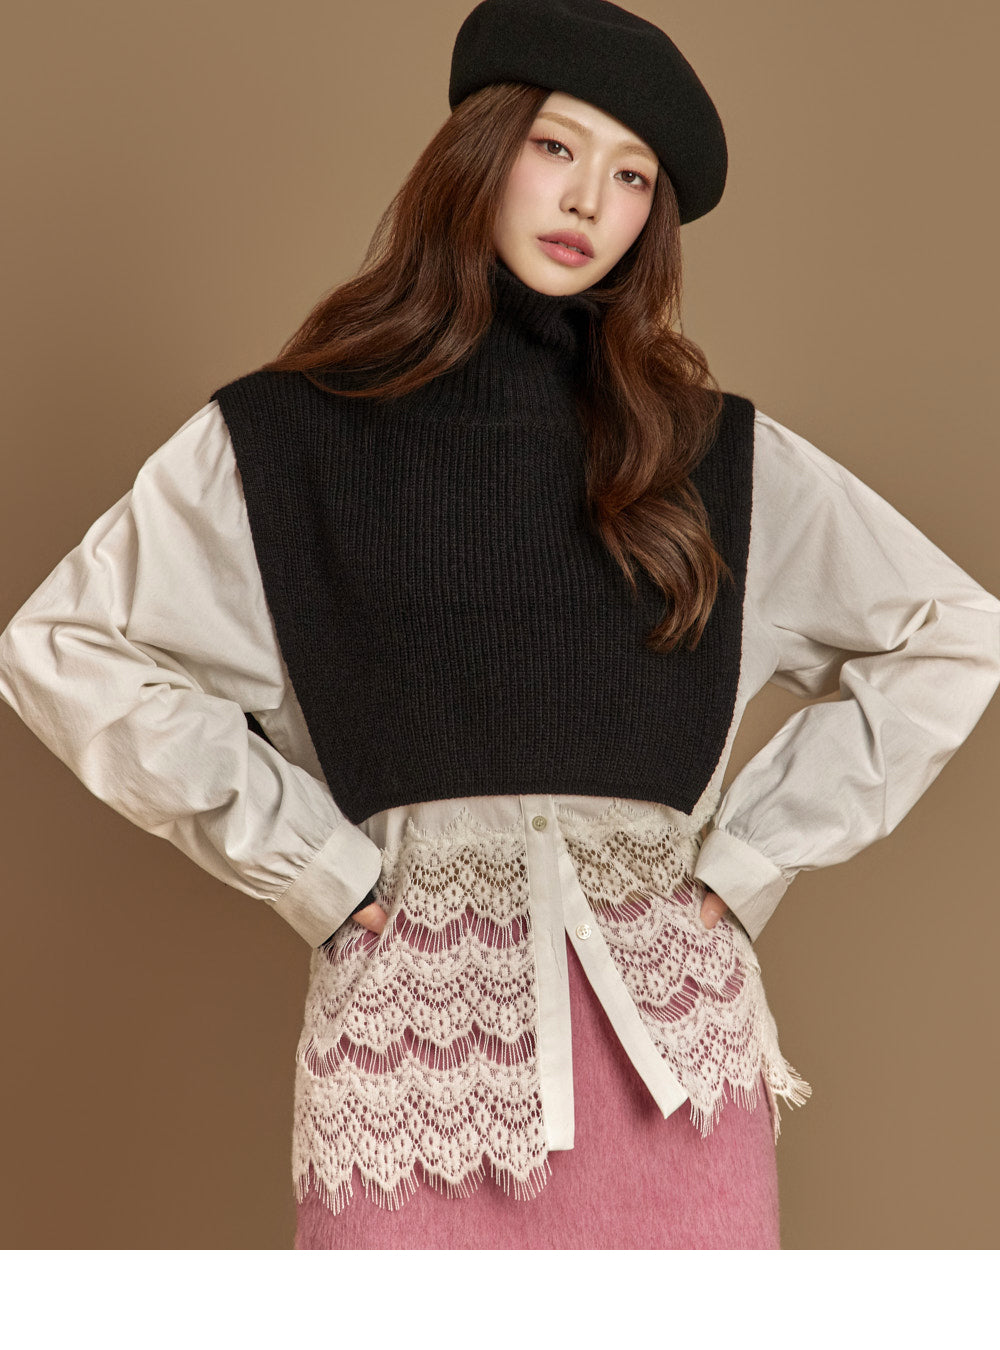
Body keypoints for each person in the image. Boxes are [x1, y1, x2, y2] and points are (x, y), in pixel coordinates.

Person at [1, 0, 998, 1251]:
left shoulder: (710, 454)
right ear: (478, 151)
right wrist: (310, 865)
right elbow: (65, 649)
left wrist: (752, 857)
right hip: (410, 1070)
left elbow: (950, 632)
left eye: (631, 177)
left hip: (675, 1081)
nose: (588, 200)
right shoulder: (288, 440)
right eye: (556, 147)